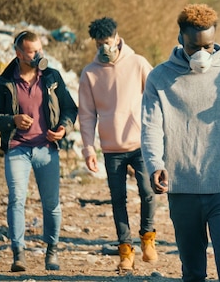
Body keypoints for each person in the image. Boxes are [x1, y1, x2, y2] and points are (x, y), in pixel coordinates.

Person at [141, 3, 220, 282]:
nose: (203, 53)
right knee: (193, 272)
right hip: (182, 190)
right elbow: (151, 127)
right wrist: (155, 164)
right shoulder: (160, 77)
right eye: (195, 46)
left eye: (210, 45)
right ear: (181, 39)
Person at [0, 30, 77, 272]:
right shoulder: (4, 82)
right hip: (17, 148)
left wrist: (64, 128)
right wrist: (11, 120)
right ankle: (18, 254)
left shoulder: (52, 77)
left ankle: (52, 252)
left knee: (52, 204)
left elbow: (70, 108)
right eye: (33, 52)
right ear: (19, 53)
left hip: (47, 148)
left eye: (40, 50)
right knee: (16, 199)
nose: (38, 55)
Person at [78, 17, 157, 272]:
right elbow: (87, 114)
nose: (104, 47)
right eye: (99, 43)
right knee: (117, 199)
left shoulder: (138, 63)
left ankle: (148, 238)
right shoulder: (90, 73)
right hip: (111, 149)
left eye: (108, 42)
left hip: (140, 144)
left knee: (148, 191)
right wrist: (88, 148)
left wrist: (158, 135)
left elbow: (157, 96)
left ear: (117, 36)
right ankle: (125, 249)